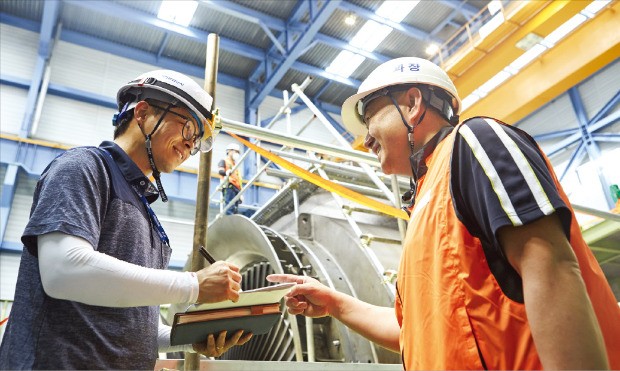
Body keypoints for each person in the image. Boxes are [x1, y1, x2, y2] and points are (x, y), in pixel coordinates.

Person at [268, 57, 620, 369]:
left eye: (370, 115)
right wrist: (334, 303)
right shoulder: (425, 203)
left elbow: (549, 265)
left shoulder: (475, 142)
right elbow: (415, 330)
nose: (364, 140)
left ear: (412, 103)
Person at [0, 70, 251, 370]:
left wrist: (187, 338)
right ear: (143, 113)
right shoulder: (84, 168)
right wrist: (193, 284)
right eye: (187, 128)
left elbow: (129, 325)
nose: (190, 146)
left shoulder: (147, 215)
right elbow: (62, 270)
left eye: (197, 141)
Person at [218, 143, 243, 214]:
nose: (237, 154)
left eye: (238, 152)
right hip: (229, 186)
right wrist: (226, 173)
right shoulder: (224, 161)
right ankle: (229, 221)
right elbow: (220, 171)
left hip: (236, 188)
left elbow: (239, 180)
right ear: (229, 151)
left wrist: (241, 193)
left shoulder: (235, 165)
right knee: (230, 207)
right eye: (236, 151)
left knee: (235, 209)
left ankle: (233, 222)